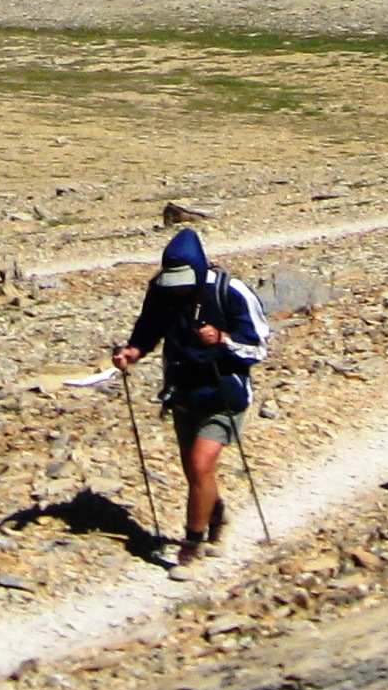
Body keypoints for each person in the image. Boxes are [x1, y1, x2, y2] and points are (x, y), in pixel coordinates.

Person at [111, 226, 269, 565]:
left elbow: (258, 348)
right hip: (183, 392)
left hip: (225, 394)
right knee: (196, 472)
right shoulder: (161, 290)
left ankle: (191, 548)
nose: (179, 290)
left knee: (200, 465)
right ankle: (215, 514)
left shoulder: (231, 291)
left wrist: (223, 339)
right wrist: (132, 352)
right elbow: (149, 328)